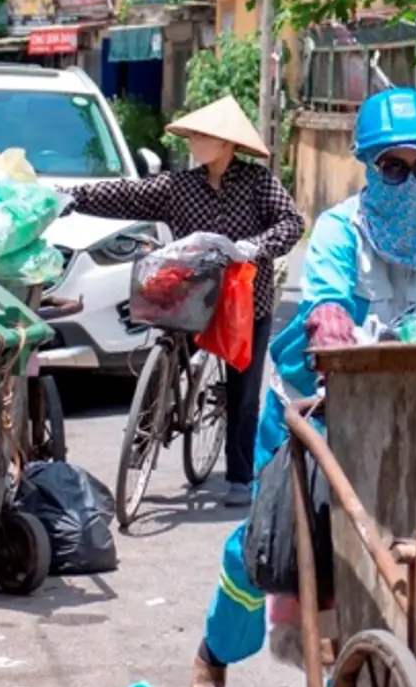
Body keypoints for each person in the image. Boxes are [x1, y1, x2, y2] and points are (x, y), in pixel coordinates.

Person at [190, 86, 416, 687]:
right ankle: (216, 650)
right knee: (270, 547)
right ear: (367, 166)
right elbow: (327, 293)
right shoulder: (339, 231)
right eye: (392, 167)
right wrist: (329, 317)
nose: (409, 181)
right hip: (319, 411)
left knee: (411, 548)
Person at [66, 96, 304, 507]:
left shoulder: (258, 184)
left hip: (246, 303)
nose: (193, 141)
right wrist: (75, 196)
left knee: (242, 392)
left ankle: (239, 476)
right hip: (189, 299)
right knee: (160, 364)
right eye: (192, 134)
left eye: (202, 135)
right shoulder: (179, 186)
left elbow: (292, 223)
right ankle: (139, 448)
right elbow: (127, 195)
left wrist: (254, 247)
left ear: (227, 144)